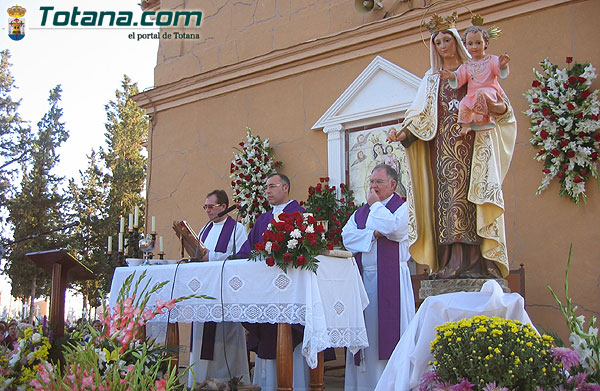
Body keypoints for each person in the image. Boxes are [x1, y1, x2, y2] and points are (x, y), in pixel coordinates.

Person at [387, 14, 517, 279]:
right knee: (447, 202)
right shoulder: (432, 80)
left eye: (447, 39)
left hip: (474, 147)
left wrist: (493, 107)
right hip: (442, 150)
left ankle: (480, 263)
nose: (443, 45)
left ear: (457, 41)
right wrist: (404, 134)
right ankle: (450, 262)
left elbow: (503, 108)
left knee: (474, 199)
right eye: (437, 42)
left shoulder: (475, 69)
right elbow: (419, 117)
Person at [342, 164, 415, 391]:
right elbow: (347, 237)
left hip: (394, 281)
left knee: (392, 338)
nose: (373, 186)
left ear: (393, 184)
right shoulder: (360, 213)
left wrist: (375, 208)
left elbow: (395, 229)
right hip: (364, 282)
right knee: (367, 339)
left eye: (379, 182)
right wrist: (374, 234)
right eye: (371, 181)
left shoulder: (402, 208)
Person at [236, 173, 310, 391]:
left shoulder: (300, 214)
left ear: (285, 188)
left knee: (289, 333)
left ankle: (293, 385)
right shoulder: (262, 219)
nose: (267, 191)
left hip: (291, 292)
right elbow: (247, 251)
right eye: (266, 187)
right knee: (268, 337)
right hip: (265, 293)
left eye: (272, 186)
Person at [189, 189, 250, 386]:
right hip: (205, 291)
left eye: (211, 206)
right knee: (202, 338)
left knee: (227, 339)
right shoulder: (204, 230)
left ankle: (229, 380)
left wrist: (211, 257)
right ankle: (201, 380)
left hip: (226, 292)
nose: (207, 211)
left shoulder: (237, 229)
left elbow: (241, 257)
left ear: (224, 207)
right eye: (205, 206)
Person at [440, 25, 510, 135]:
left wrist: (502, 66)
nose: (474, 47)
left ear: (485, 43)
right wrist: (452, 76)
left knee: (481, 94)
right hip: (472, 94)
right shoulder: (467, 65)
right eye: (470, 44)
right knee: (463, 103)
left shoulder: (491, 60)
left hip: (490, 91)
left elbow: (499, 71)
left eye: (478, 43)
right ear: (465, 45)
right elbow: (459, 77)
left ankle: (482, 117)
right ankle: (466, 125)